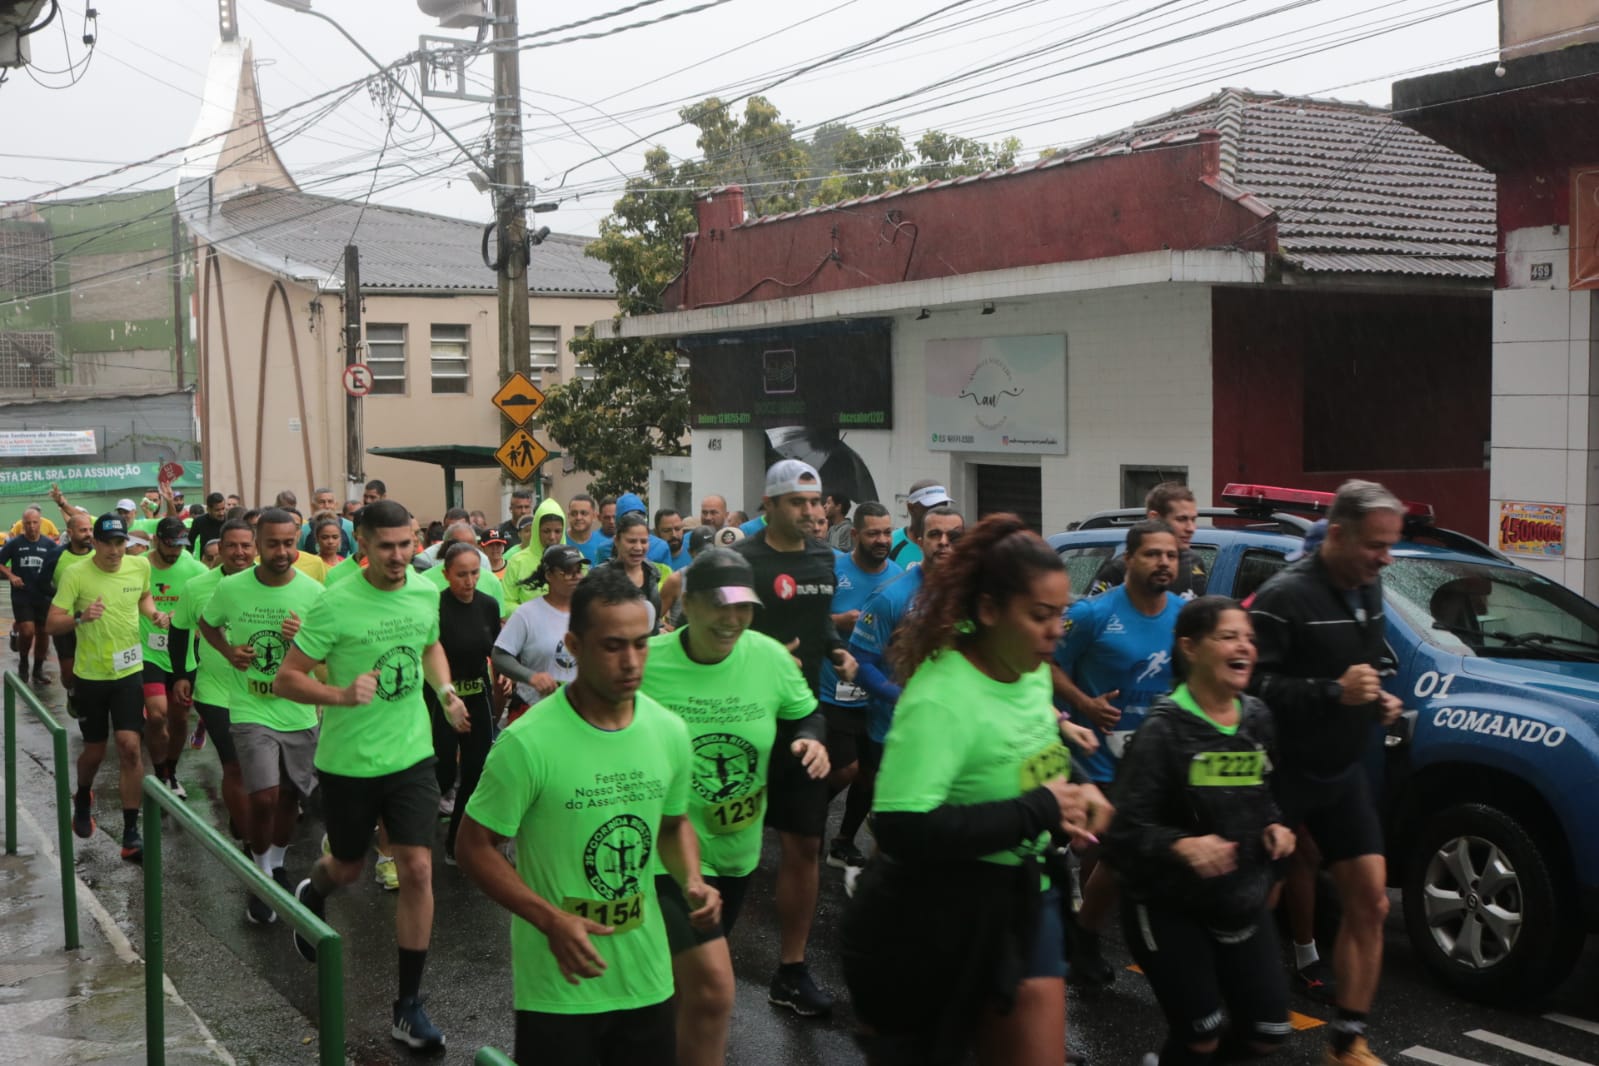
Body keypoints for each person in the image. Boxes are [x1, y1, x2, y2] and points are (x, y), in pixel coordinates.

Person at [841, 513, 1111, 1066]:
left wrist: (1079, 791)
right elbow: (901, 826)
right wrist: (1040, 808)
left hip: (1025, 896)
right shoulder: (940, 697)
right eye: (1040, 616)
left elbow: (1033, 749)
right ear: (988, 610)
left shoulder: (1030, 668)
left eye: (1060, 614)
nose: (1056, 630)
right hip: (934, 919)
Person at [457, 567, 718, 1066]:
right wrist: (550, 920)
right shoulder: (527, 743)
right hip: (560, 987)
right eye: (613, 646)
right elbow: (472, 847)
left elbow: (672, 823)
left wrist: (692, 879)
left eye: (641, 644)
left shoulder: (669, 731)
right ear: (574, 645)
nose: (631, 661)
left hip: (648, 979)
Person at [273, 499, 470, 1052]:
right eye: (386, 546)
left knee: (417, 869)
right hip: (349, 764)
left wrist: (447, 693)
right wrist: (339, 693)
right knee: (349, 865)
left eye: (407, 544)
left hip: (411, 757)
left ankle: (408, 1006)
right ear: (361, 543)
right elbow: (288, 678)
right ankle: (315, 890)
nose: (399, 556)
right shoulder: (335, 605)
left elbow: (429, 644)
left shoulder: (424, 590)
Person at [639, 548, 825, 1066]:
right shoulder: (650, 662)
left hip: (738, 850)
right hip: (667, 852)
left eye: (743, 607)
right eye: (720, 606)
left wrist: (813, 740)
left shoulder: (766, 657)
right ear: (688, 605)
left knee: (687, 987)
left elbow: (806, 713)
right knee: (709, 983)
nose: (733, 619)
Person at [1248, 479, 1405, 1066]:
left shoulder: (1370, 587)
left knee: (1373, 902)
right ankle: (1220, 1014)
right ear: (1337, 534)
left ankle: (1347, 1041)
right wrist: (1332, 691)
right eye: (1375, 545)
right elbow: (1249, 688)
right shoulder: (1284, 596)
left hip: (1340, 773)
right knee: (1253, 903)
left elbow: (1363, 669)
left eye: (1389, 546)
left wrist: (1375, 699)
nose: (1385, 558)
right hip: (1280, 775)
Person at [1106, 596, 1295, 1066]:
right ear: (1190, 647)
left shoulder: (1257, 717)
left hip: (1239, 901)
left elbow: (1264, 792)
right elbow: (1122, 832)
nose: (1244, 647)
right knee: (1200, 1034)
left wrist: (1275, 826)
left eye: (1249, 638)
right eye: (1228, 636)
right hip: (1167, 905)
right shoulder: (1162, 730)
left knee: (1267, 1031)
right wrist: (1183, 845)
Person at [734, 458, 857, 1016]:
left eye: (816, 502)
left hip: (802, 720)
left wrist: (833, 646)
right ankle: (694, 957)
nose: (812, 513)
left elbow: (818, 620)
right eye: (798, 503)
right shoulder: (741, 559)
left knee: (804, 843)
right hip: (738, 722)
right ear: (770, 505)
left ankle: (791, 969)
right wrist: (758, 656)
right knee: (721, 847)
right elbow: (712, 632)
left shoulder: (823, 557)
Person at [1052, 519, 1183, 988]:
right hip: (1096, 758)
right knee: (1121, 852)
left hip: (1154, 759)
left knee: (1129, 855)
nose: (1163, 562)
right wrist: (1084, 704)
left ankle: (1088, 929)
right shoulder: (1091, 614)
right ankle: (1087, 934)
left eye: (1170, 555)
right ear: (1129, 560)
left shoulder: (1183, 615)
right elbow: (1046, 663)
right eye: (1152, 554)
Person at [197, 509, 325, 924]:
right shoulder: (232, 589)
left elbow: (326, 650)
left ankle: (280, 864)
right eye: (273, 543)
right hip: (250, 705)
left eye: (290, 543)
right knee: (264, 795)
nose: (283, 551)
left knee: (290, 796)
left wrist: (301, 639)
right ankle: (260, 872)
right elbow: (207, 623)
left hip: (297, 709)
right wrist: (228, 651)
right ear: (257, 543)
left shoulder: (312, 590)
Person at [843, 505, 967, 871]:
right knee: (899, 833)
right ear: (916, 539)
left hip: (954, 729)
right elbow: (860, 662)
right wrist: (901, 697)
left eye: (954, 537)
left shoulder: (975, 596)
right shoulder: (890, 597)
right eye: (935, 535)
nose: (944, 543)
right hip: (896, 731)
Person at [46, 513, 168, 862]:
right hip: (91, 677)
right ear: (94, 543)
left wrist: (153, 614)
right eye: (108, 543)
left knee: (130, 747)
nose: (115, 551)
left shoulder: (139, 567)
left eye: (120, 543)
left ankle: (131, 833)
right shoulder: (76, 574)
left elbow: (143, 597)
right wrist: (82, 617)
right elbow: (53, 623)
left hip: (129, 671)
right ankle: (83, 795)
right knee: (95, 753)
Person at [820, 502, 902, 871]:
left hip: (876, 693)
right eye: (873, 533)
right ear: (855, 535)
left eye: (886, 532)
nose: (882, 540)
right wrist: (839, 620)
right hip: (832, 689)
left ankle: (842, 841)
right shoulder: (834, 570)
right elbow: (808, 619)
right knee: (846, 768)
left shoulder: (899, 577)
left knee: (869, 775)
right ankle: (799, 815)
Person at [170, 519, 257, 847]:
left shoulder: (270, 584)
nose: (239, 552)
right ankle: (251, 844)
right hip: (216, 690)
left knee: (262, 770)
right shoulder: (197, 587)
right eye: (231, 546)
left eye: (246, 546)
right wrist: (181, 675)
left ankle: (244, 815)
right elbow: (178, 630)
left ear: (255, 549)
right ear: (218, 549)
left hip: (264, 693)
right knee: (234, 762)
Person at [426, 542, 501, 863]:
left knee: (475, 770)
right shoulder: (436, 607)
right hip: (441, 698)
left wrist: (502, 676)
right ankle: (415, 839)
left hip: (477, 695)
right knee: (441, 773)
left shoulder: (487, 605)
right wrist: (447, 698)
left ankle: (456, 841)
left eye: (474, 573)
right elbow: (428, 653)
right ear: (445, 574)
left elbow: (495, 649)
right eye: (461, 575)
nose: (469, 581)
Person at [142, 516, 209, 798]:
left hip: (183, 657)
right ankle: (158, 774)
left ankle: (170, 770)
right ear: (156, 540)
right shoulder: (139, 566)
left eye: (179, 547)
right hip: (149, 652)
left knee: (180, 719)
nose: (174, 552)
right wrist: (153, 613)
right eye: (169, 546)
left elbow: (207, 607)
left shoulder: (195, 569)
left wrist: (182, 618)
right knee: (157, 716)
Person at [493, 545, 584, 725]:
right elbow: (499, 656)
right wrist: (531, 677)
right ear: (549, 575)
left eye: (578, 570)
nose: (575, 576)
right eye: (566, 571)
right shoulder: (527, 614)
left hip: (579, 712)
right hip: (535, 710)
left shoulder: (590, 612)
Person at [1088, 481, 1208, 599]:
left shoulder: (1194, 561)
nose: (1191, 528)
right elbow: (1092, 614)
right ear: (1154, 518)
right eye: (1182, 519)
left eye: (1193, 520)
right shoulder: (1120, 569)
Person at [0, 505, 62, 684]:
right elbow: (1, 563)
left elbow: (59, 567)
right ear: (22, 524)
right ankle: (23, 662)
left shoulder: (49, 545)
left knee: (43, 633)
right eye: (27, 523)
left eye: (35, 523)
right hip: (22, 595)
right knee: (27, 631)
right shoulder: (15, 544)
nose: (31, 526)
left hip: (43, 596)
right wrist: (11, 576)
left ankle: (37, 669)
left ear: (40, 523)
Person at [45, 512, 94, 713]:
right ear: (70, 532)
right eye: (83, 530)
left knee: (93, 668)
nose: (88, 534)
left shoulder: (98, 553)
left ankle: (93, 705)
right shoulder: (56, 555)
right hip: (66, 620)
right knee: (68, 673)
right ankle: (72, 691)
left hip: (92, 621)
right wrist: (62, 596)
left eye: (90, 529)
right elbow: (40, 585)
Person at [603, 514, 667, 632]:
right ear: (617, 541)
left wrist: (659, 629)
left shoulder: (652, 573)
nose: (638, 547)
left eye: (643, 541)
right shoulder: (602, 577)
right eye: (631, 541)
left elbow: (654, 618)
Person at [504, 499, 569, 610]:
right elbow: (506, 602)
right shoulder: (517, 561)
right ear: (536, 530)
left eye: (558, 531)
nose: (552, 537)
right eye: (546, 531)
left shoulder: (575, 559)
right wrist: (533, 616)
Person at [658, 526, 716, 631]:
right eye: (701, 554)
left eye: (710, 553)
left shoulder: (725, 576)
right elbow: (654, 619)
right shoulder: (677, 580)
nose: (706, 558)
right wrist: (676, 631)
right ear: (690, 552)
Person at [887, 480, 954, 567]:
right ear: (911, 508)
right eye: (931, 507)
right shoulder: (890, 543)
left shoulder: (953, 546)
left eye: (942, 506)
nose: (937, 513)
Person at [598, 494, 671, 566]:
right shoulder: (605, 549)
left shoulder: (661, 547)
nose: (638, 548)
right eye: (631, 541)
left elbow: (667, 576)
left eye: (640, 516)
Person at [565, 493, 610, 566]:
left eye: (583, 513)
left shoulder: (604, 544)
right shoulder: (559, 541)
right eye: (574, 513)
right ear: (568, 516)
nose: (578, 517)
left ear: (594, 516)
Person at [188, 493, 229, 559]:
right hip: (207, 561)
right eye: (217, 510)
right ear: (208, 509)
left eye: (223, 509)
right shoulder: (199, 521)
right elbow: (190, 543)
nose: (221, 513)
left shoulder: (230, 521)